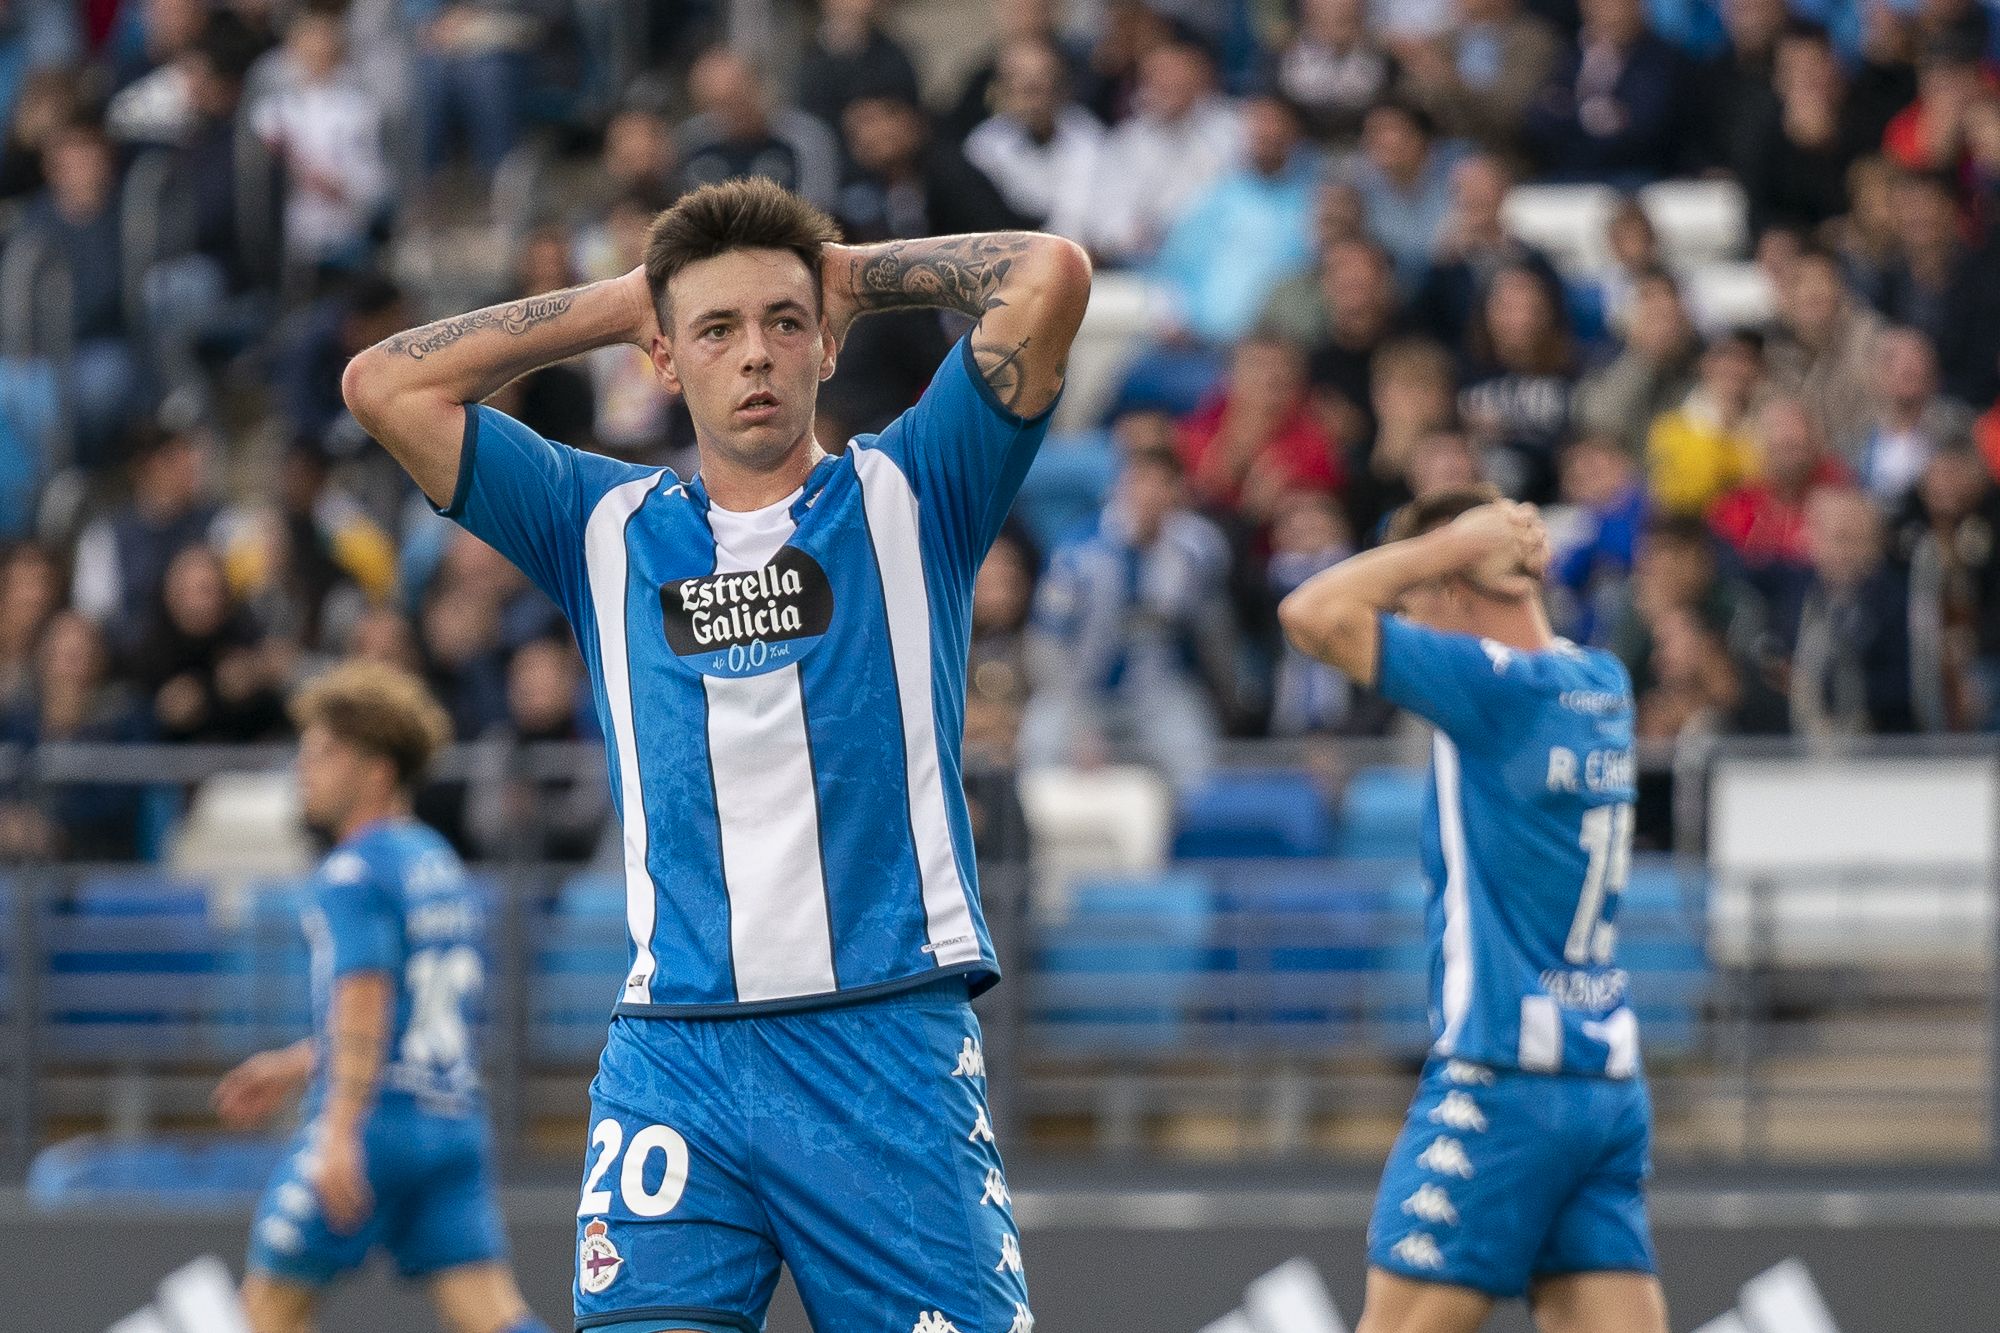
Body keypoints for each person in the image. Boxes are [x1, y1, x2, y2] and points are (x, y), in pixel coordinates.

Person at [341, 176, 1089, 1332]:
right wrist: (629, 301)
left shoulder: (914, 492)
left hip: (880, 1044)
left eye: (784, 326)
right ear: (663, 357)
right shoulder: (600, 522)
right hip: (675, 1059)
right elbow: (383, 383)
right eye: (718, 331)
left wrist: (842, 275)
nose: (756, 356)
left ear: (827, 346)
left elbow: (1046, 276)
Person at [1276, 487, 1666, 1333]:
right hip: (1605, 1083)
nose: (1408, 625)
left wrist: (1447, 546)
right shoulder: (1603, 681)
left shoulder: (1496, 691)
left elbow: (1309, 613)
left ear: (1455, 586)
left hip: (1503, 1080)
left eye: (1414, 604)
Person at [213, 661, 548, 1333]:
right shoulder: (437, 860)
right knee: (492, 1313)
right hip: (452, 1123)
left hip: (374, 1124)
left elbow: (364, 997)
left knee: (265, 1313)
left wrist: (338, 1128)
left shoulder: (351, 871)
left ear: (375, 770)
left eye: (324, 753)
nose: (305, 768)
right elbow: (404, 1011)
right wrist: (293, 1062)